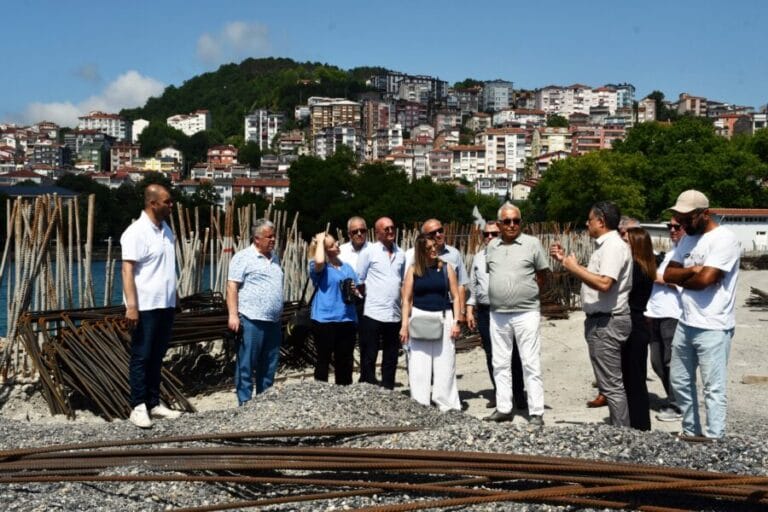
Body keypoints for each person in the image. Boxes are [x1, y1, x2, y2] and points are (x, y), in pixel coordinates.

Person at [663, 190, 740, 439]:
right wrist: (693, 271)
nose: (682, 224)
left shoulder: (724, 239)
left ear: (705, 214)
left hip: (714, 325)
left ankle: (715, 437)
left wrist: (688, 274)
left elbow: (706, 280)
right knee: (680, 381)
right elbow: (667, 275)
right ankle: (691, 431)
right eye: (680, 219)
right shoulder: (688, 239)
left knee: (713, 387)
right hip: (686, 322)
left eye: (687, 218)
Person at [550, 201, 632, 428]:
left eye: (590, 219)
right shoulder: (606, 246)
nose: (587, 223)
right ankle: (621, 431)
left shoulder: (613, 246)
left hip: (608, 321)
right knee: (609, 383)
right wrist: (567, 263)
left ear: (601, 221)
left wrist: (573, 267)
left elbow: (605, 283)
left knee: (612, 385)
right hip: (602, 320)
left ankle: (621, 434)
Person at [121, 184, 181, 429]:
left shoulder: (166, 230)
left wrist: (175, 295)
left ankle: (154, 402)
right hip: (145, 306)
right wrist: (132, 306)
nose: (171, 205)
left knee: (157, 355)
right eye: (167, 201)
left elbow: (168, 267)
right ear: (153, 203)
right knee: (142, 356)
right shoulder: (136, 232)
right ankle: (138, 406)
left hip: (165, 304)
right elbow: (127, 270)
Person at [483, 204, 549, 427]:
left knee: (530, 362)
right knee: (499, 363)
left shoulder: (533, 244)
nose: (512, 225)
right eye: (507, 221)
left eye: (516, 221)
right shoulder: (492, 246)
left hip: (526, 312)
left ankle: (536, 411)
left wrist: (526, 295)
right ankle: (503, 408)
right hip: (498, 314)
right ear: (499, 224)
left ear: (521, 223)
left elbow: (542, 275)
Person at [467, 221, 527, 410]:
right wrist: (469, 309)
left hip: (507, 310)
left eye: (494, 234)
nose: (489, 237)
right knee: (492, 354)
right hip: (485, 311)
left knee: (513, 354)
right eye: (486, 234)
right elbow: (473, 286)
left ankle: (519, 394)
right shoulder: (477, 258)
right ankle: (501, 395)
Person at [399, 234, 462, 411]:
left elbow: (456, 296)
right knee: (419, 365)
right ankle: (421, 404)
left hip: (443, 316)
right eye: (429, 248)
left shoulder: (446, 268)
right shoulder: (413, 270)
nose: (434, 250)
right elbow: (407, 299)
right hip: (419, 317)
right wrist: (404, 325)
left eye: (434, 246)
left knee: (445, 362)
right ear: (421, 250)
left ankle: (447, 404)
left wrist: (457, 321)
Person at [227, 219, 284, 406]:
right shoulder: (243, 257)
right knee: (246, 364)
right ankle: (244, 403)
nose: (273, 239)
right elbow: (232, 287)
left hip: (273, 321)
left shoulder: (275, 258)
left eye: (274, 235)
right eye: (269, 236)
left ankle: (263, 401)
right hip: (251, 319)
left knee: (269, 365)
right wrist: (233, 315)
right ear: (257, 238)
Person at [356, 217, 406, 389]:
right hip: (373, 312)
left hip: (394, 313)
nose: (391, 231)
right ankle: (369, 387)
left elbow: (403, 281)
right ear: (377, 233)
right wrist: (370, 297)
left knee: (391, 355)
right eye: (386, 229)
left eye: (392, 228)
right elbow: (359, 280)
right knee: (369, 353)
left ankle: (388, 388)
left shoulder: (401, 254)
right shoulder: (369, 252)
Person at [645, 219, 686, 422]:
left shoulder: (688, 253)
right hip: (655, 313)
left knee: (672, 361)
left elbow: (683, 283)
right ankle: (673, 397)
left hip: (673, 314)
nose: (672, 230)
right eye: (669, 227)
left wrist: (657, 276)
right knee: (657, 362)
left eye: (676, 227)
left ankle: (678, 403)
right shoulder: (671, 252)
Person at [308, 232, 358, 385]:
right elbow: (319, 260)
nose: (337, 245)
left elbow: (359, 289)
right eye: (332, 245)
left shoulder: (346, 267)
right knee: (323, 359)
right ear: (324, 249)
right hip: (325, 320)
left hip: (346, 317)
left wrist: (355, 290)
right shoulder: (318, 266)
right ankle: (321, 393)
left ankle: (344, 391)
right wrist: (321, 241)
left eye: (335, 242)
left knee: (345, 360)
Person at [622, 227, 656, 430]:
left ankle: (639, 425)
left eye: (626, 241)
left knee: (633, 378)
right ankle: (639, 423)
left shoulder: (635, 269)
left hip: (633, 324)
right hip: (639, 323)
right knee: (636, 377)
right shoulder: (646, 267)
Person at [405, 218, 469, 324]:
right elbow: (407, 290)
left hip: (447, 310)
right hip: (420, 311)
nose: (438, 234)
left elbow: (460, 285)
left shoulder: (454, 254)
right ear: (425, 236)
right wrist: (407, 318)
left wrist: (461, 313)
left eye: (440, 230)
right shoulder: (411, 256)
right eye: (433, 233)